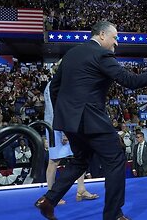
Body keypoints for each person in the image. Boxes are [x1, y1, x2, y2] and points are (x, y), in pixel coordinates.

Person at [35, 20, 147, 220]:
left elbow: (54, 89)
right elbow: (130, 81)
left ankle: (48, 200)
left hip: (69, 120)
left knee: (81, 160)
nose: (116, 43)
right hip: (90, 119)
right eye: (114, 37)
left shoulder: (71, 53)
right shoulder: (101, 54)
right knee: (116, 160)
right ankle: (113, 215)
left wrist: (63, 118)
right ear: (102, 35)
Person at [43, 61, 99, 206]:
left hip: (68, 126)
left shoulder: (67, 84)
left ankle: (81, 189)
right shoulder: (53, 85)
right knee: (54, 161)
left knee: (79, 157)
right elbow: (53, 111)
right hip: (56, 127)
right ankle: (51, 196)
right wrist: (63, 132)